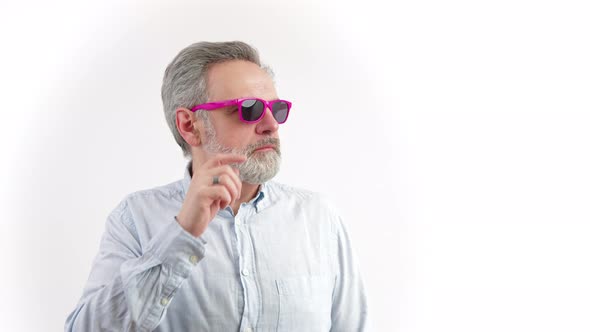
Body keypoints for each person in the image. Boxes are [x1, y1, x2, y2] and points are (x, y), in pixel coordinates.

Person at [64, 41, 367, 332]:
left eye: (275, 109)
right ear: (189, 125)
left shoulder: (318, 218)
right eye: (248, 109)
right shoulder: (136, 219)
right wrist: (181, 234)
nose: (271, 125)